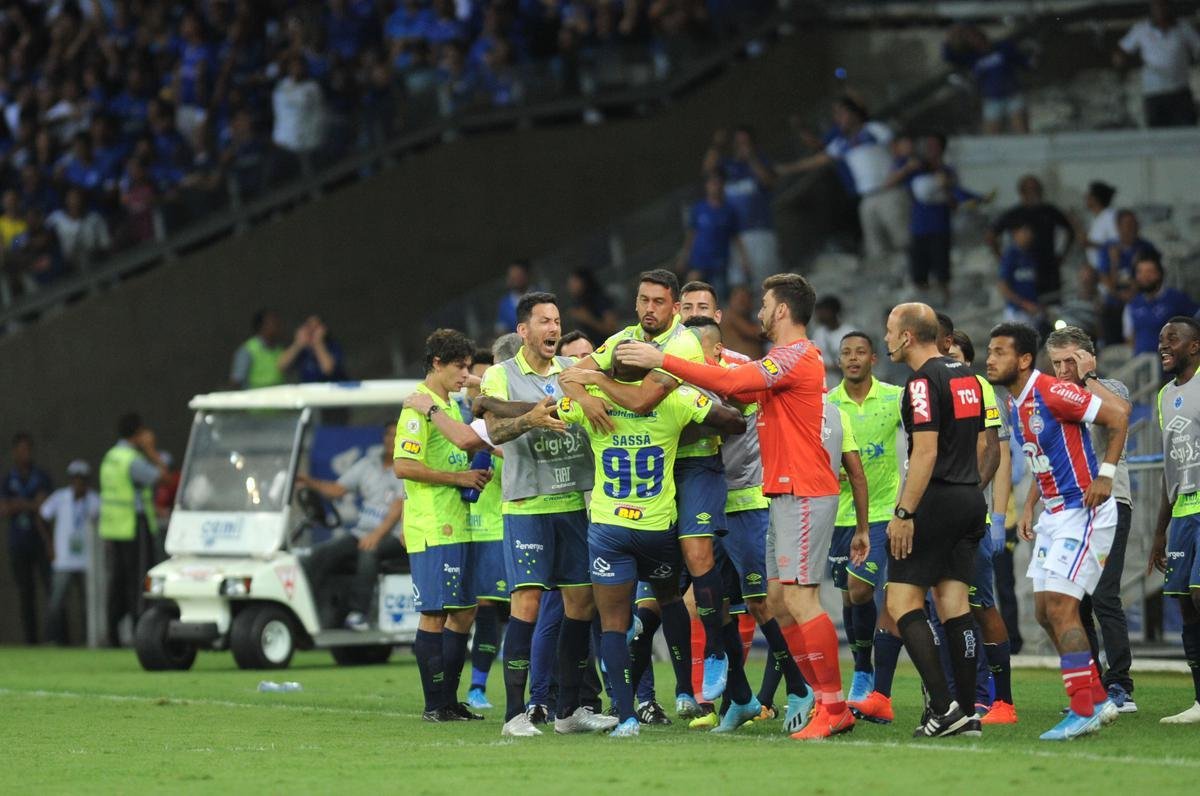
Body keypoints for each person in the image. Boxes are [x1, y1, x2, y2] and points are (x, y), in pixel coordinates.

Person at [615, 272, 867, 740]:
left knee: (800, 599)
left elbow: (733, 378)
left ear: (783, 310)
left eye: (765, 305)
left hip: (805, 490)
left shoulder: (796, 356)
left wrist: (663, 359)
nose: (759, 314)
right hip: (783, 491)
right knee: (775, 601)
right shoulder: (781, 360)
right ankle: (813, 697)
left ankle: (833, 707)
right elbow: (732, 389)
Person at [561, 269, 733, 714]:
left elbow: (640, 401)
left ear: (674, 307)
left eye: (658, 302)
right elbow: (567, 377)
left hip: (693, 460)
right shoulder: (625, 336)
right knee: (654, 600)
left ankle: (714, 649)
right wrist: (582, 397)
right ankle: (644, 702)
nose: (649, 309)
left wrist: (595, 385)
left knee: (695, 561)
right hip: (647, 488)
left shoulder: (683, 344)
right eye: (643, 300)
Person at [470, 293, 615, 737]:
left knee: (581, 604)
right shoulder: (501, 373)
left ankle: (569, 711)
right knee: (527, 604)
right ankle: (516, 713)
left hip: (573, 503)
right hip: (527, 505)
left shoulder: (572, 374)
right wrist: (531, 419)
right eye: (544, 322)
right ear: (524, 331)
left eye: (557, 320)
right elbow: (493, 429)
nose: (553, 328)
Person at [679, 297, 819, 735]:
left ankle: (800, 688)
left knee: (761, 603)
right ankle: (738, 699)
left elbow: (731, 419)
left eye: (694, 355)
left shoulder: (743, 371)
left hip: (747, 500)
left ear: (715, 351)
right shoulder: (679, 377)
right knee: (710, 605)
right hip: (706, 501)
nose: (689, 362)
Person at [987, 321, 1130, 740]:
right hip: (1053, 513)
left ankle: (1081, 708)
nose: (990, 359)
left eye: (999, 352)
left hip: (1083, 511)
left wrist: (1105, 475)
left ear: (1024, 359)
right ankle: (1097, 699)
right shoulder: (1015, 402)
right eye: (990, 351)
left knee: (1064, 609)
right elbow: (1042, 456)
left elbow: (1119, 416)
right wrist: (1030, 505)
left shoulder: (1050, 389)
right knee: (1042, 612)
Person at [880, 302, 987, 737]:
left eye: (889, 330)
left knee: (900, 603)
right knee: (954, 606)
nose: (885, 337)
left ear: (907, 336)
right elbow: (980, 443)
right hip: (968, 497)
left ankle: (943, 708)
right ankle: (966, 712)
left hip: (935, 499)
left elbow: (925, 451)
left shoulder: (921, 383)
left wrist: (905, 512)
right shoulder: (967, 377)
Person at [393, 329, 492, 723]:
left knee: (465, 611)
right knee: (435, 613)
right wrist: (459, 479)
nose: (464, 373)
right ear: (437, 363)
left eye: (469, 367)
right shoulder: (418, 408)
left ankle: (449, 700)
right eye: (459, 366)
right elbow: (403, 466)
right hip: (433, 525)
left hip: (459, 522)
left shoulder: (449, 405)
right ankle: (435, 704)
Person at [1045, 326, 1138, 713]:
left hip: (1111, 499)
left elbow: (1121, 415)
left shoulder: (1110, 386)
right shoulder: (1052, 395)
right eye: (1056, 363)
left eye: (1071, 361)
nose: (1064, 369)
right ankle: (1095, 686)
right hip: (1070, 508)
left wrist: (1088, 378)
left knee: (1104, 596)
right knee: (1076, 600)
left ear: (1087, 357)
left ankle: (1121, 686)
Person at [826, 332, 907, 722]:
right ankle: (862, 670)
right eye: (846, 353)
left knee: (860, 588)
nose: (853, 358)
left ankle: (863, 673)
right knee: (848, 595)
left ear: (874, 358)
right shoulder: (828, 403)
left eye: (860, 352)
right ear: (839, 360)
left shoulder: (894, 397)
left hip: (880, 511)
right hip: (839, 514)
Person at [779, 96, 910, 276]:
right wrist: (788, 169)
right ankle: (894, 282)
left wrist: (899, 173)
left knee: (904, 240)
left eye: (841, 113)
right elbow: (819, 159)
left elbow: (900, 149)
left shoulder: (874, 129)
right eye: (836, 115)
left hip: (889, 191)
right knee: (877, 247)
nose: (838, 118)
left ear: (854, 113)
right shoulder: (842, 143)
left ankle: (917, 275)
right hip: (867, 198)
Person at [298, 424, 406, 631]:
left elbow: (398, 507)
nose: (391, 439)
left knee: (369, 551)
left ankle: (359, 614)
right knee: (322, 553)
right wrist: (309, 482)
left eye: (397, 435)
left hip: (396, 535)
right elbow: (338, 490)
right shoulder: (368, 465)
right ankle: (307, 608)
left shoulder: (407, 467)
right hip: (362, 532)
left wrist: (377, 534)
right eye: (388, 434)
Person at [1149, 316, 1200, 723]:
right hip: (1182, 510)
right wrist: (1159, 532)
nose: (1164, 344)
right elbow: (1170, 468)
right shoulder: (1165, 396)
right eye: (1162, 339)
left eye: (1173, 338)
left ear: (1195, 345)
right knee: (1184, 603)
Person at [99, 413, 167, 648]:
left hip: (112, 526)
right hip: (132, 526)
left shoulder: (111, 457)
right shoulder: (132, 460)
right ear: (138, 434)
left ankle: (112, 632)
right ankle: (141, 630)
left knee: (116, 581)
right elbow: (163, 478)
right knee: (137, 580)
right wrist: (151, 451)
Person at [896, 133, 983, 305]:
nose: (930, 150)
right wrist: (908, 168)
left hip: (940, 227)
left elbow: (955, 203)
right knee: (919, 271)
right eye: (927, 146)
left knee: (941, 269)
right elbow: (891, 182)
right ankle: (923, 305)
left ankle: (946, 302)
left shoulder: (948, 173)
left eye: (934, 146)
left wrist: (947, 187)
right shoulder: (915, 170)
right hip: (918, 227)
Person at [703, 126, 780, 287]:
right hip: (735, 235)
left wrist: (751, 157)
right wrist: (717, 145)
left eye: (745, 142)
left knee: (766, 283)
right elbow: (708, 169)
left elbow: (768, 181)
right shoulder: (728, 167)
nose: (741, 146)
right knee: (738, 285)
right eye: (738, 142)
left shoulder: (762, 162)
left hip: (760, 231)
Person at [986, 175, 1075, 307]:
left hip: (1047, 268)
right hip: (1024, 269)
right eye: (1030, 190)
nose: (1034, 194)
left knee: (1052, 307)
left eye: (1036, 190)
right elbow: (991, 235)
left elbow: (1070, 230)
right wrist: (1001, 258)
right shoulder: (1015, 214)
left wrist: (1062, 255)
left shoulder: (1049, 211)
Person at [40, 460, 100, 645]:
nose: (79, 483)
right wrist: (49, 545)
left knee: (87, 605)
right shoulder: (60, 497)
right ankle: (53, 639)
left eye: (82, 479)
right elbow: (42, 515)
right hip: (64, 558)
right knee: (56, 602)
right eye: (75, 479)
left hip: (86, 560)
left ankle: (88, 640)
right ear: (71, 480)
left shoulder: (95, 500)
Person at [1116, 0, 1200, 128]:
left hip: (1180, 91)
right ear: (1152, 9)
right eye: (1156, 6)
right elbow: (1123, 50)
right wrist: (1120, 58)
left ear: (1169, 7)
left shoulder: (1183, 27)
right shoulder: (1141, 29)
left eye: (1163, 5)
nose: (1160, 10)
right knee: (1157, 135)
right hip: (1154, 93)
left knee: (1185, 132)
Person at [5, 433, 53, 644]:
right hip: (18, 542)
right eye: (21, 449)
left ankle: (57, 637)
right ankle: (30, 640)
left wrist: (17, 504)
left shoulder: (41, 476)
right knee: (26, 593)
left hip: (41, 541)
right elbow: (3, 508)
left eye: (28, 449)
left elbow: (46, 508)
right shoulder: (8, 479)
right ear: (14, 452)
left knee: (51, 589)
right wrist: (30, 504)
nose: (25, 454)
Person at [942, 24, 1030, 134]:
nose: (974, 41)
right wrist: (950, 35)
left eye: (975, 36)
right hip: (992, 98)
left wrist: (1029, 61)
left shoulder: (1003, 47)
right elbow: (948, 56)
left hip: (1012, 94)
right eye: (969, 39)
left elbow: (1022, 61)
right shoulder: (972, 58)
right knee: (991, 133)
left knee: (1020, 127)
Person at [675, 172, 749, 298]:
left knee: (717, 297)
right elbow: (690, 235)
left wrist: (744, 260)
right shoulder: (698, 209)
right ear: (707, 186)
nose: (716, 187)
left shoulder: (729, 211)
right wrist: (683, 256)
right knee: (691, 293)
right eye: (713, 184)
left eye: (719, 184)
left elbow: (736, 237)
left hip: (719, 264)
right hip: (698, 262)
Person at [1093, 209, 1161, 345]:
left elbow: (1153, 276)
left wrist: (1134, 292)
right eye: (1128, 224)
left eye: (1134, 224)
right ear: (1118, 227)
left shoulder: (1146, 247)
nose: (1132, 228)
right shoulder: (1109, 248)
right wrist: (1114, 262)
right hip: (1115, 302)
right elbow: (1105, 279)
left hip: (1140, 299)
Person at [1123, 254, 1198, 356]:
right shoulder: (1132, 305)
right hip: (1143, 365)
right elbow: (1130, 338)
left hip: (1172, 366)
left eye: (1149, 271)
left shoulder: (1176, 298)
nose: (1144, 276)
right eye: (1140, 272)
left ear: (1159, 273)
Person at [229, 309, 305, 390]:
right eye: (272, 323)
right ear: (261, 326)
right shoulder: (248, 350)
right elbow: (236, 381)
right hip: (255, 398)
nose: (277, 327)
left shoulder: (279, 349)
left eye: (278, 323)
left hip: (277, 398)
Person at [997, 222, 1043, 327]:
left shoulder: (1031, 255)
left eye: (1031, 232)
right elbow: (1003, 286)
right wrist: (1024, 304)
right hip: (1016, 312)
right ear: (1015, 233)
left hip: (1033, 311)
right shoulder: (1010, 256)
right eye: (1025, 232)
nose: (1029, 235)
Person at [809, 295, 855, 388]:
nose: (819, 315)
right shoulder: (818, 334)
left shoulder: (849, 333)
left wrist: (832, 367)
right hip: (826, 386)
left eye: (823, 311)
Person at [566, 268, 618, 344]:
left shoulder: (599, 299)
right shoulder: (578, 302)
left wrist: (588, 319)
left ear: (583, 282)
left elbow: (611, 328)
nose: (570, 285)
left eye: (574, 281)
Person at [495, 259, 532, 335]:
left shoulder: (541, 294)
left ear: (526, 275)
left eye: (518, 275)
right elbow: (501, 330)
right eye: (512, 276)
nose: (514, 279)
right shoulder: (505, 304)